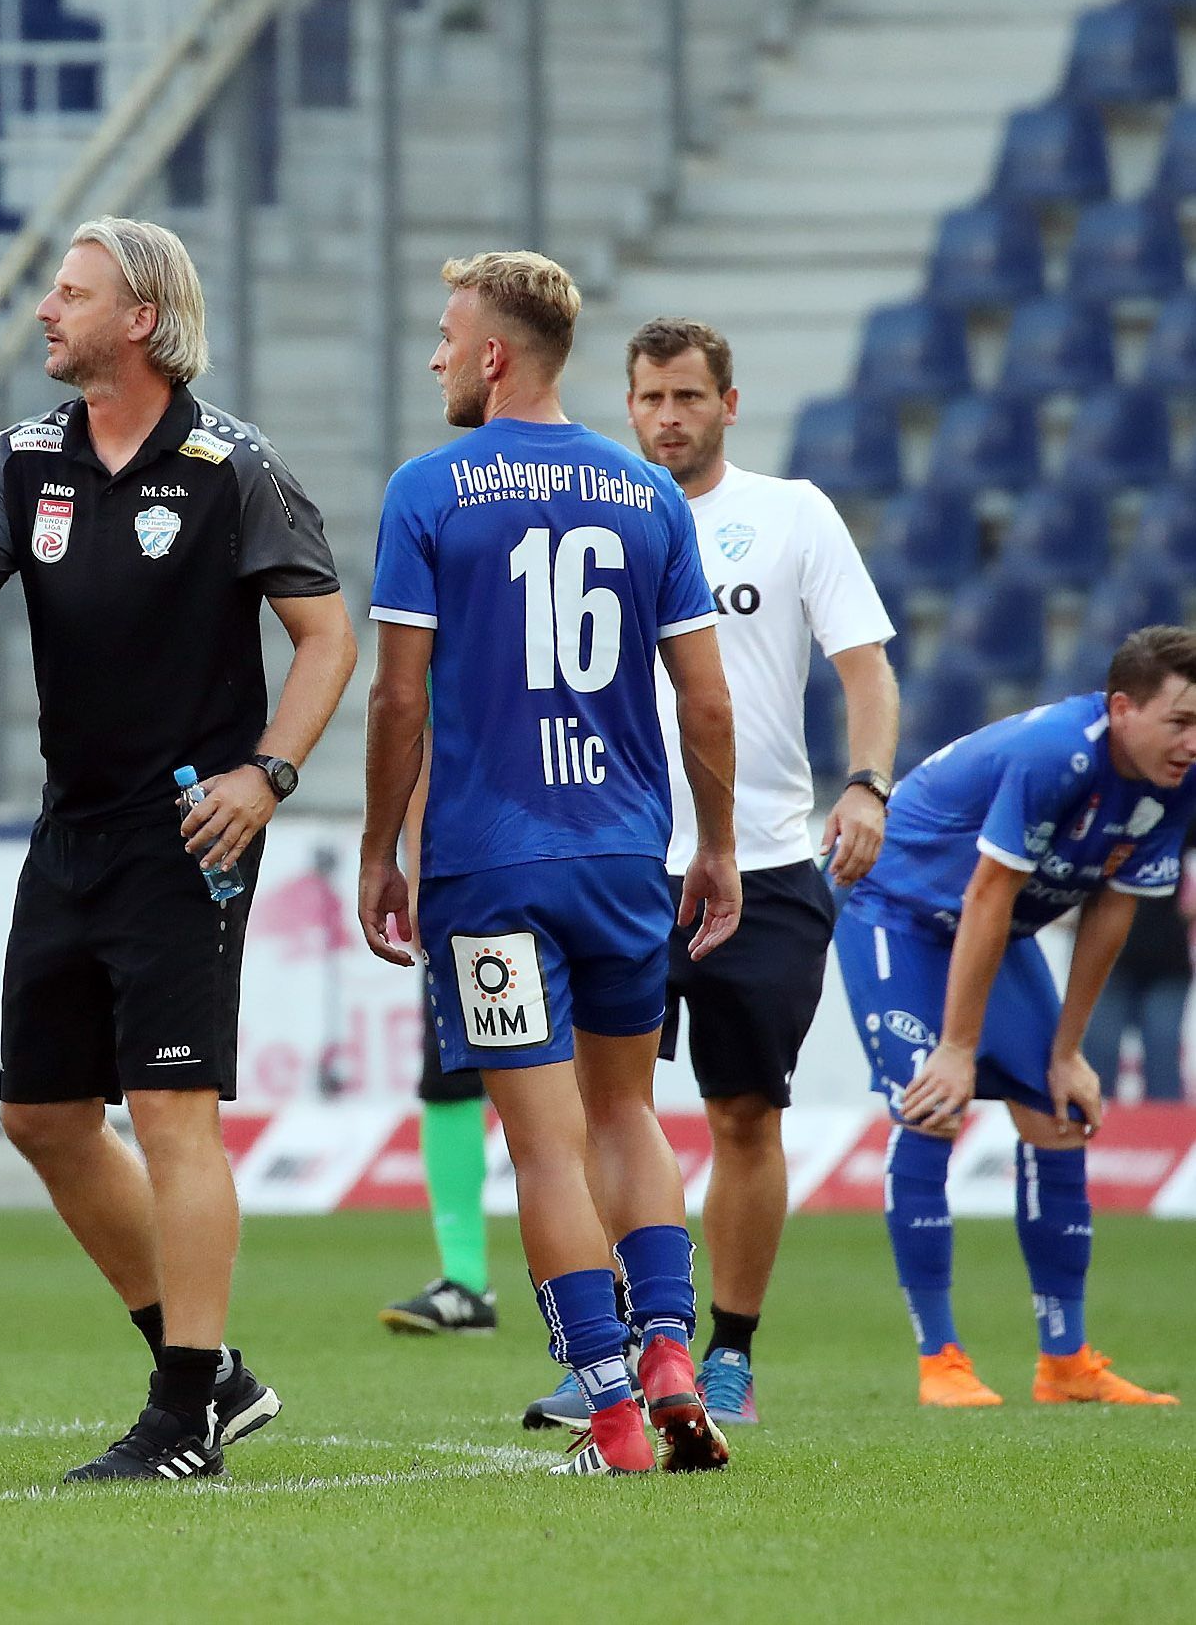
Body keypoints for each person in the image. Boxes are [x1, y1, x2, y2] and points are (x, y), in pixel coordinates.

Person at [0, 216, 356, 1482]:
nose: (44, 308)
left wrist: (269, 774)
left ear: (139, 317)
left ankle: (184, 1408)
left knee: (170, 1112)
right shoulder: (23, 456)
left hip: (188, 829)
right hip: (69, 825)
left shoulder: (230, 463)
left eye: (70, 291)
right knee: (38, 1112)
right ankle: (209, 1370)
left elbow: (327, 637)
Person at [360, 252, 740, 1478]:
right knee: (627, 1108)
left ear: (488, 354)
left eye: (442, 333)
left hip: (487, 865)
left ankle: (614, 1410)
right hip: (622, 850)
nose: (431, 355)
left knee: (541, 1141)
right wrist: (716, 844)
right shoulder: (648, 494)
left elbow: (397, 695)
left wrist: (380, 846)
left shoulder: (430, 490)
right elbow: (705, 701)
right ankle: (672, 1343)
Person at [529, 317, 897, 1429]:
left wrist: (867, 781)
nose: (667, 418)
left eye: (688, 397)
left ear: (726, 405)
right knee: (606, 1109)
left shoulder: (791, 515)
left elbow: (863, 668)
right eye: (648, 398)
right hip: (615, 859)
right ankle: (628, 1348)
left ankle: (727, 1349)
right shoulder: (592, 519)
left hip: (768, 860)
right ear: (626, 403)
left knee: (744, 1113)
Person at [835, 626, 1193, 1408]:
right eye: (1181, 721)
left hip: (995, 933)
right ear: (1122, 707)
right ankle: (942, 1363)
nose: (1192, 742)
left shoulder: (1178, 781)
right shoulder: (1056, 754)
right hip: (899, 916)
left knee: (1060, 1115)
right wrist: (958, 1048)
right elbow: (987, 894)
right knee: (934, 1104)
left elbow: (1113, 910)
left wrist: (1070, 1050)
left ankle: (1064, 1364)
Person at [377, 752, 496, 1336]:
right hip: (474, 871)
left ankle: (616, 1296)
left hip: (572, 858)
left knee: (589, 1085)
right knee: (450, 1075)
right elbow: (422, 739)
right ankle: (466, 1280)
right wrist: (420, 872)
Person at [1082, 814, 1193, 1101]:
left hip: (1167, 962)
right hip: (1108, 961)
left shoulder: (1180, 808)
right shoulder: (1106, 803)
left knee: (1162, 1058)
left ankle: (1167, 1135)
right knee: (1097, 1056)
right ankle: (1089, 1130)